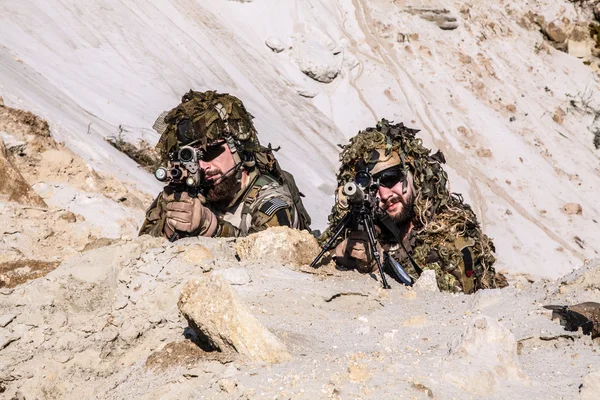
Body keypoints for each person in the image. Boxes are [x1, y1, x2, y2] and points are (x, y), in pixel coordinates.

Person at [321, 119, 507, 293]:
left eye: (391, 179)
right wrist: (337, 254)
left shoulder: (448, 233)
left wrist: (380, 265)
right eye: (374, 188)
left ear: (415, 177)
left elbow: (449, 297)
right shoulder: (358, 225)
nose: (385, 195)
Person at [139, 90, 310, 239]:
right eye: (191, 158)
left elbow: (271, 264)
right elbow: (140, 250)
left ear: (238, 147)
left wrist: (213, 228)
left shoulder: (271, 202)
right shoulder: (183, 193)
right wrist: (169, 229)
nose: (203, 166)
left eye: (211, 153)